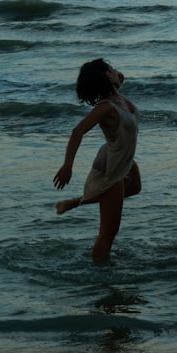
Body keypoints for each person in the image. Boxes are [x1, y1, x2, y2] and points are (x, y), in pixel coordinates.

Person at [54, 58, 141, 262]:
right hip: (112, 165)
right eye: (110, 68)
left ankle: (73, 203)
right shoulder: (106, 107)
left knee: (135, 187)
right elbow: (78, 131)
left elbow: (120, 77)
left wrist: (113, 76)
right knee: (108, 233)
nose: (115, 69)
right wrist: (67, 166)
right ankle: (100, 276)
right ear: (105, 76)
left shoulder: (117, 94)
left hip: (123, 159)